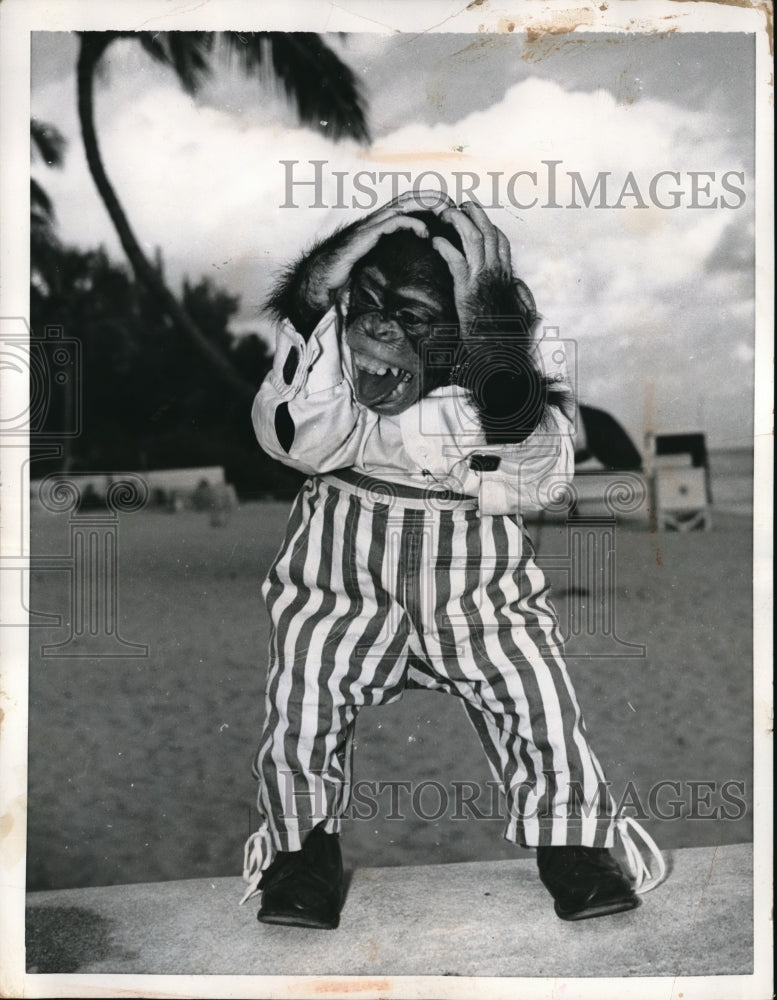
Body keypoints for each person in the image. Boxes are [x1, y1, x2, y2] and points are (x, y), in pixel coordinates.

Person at [242, 191, 649, 928]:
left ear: (464, 339)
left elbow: (539, 474)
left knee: (536, 702)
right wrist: (309, 294)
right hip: (343, 578)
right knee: (305, 702)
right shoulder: (337, 388)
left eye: (411, 316)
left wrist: (494, 344)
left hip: (475, 585)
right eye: (364, 303)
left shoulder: (485, 393)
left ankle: (572, 846)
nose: (378, 327)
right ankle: (300, 852)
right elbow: (291, 437)